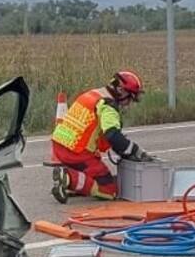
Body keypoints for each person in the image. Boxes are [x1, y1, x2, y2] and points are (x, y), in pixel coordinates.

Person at [50, 70, 152, 202]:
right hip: (76, 152)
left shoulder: (93, 94)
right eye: (130, 98)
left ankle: (76, 183)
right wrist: (135, 151)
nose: (129, 104)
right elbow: (113, 136)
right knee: (109, 190)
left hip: (59, 144)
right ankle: (69, 178)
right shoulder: (108, 106)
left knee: (95, 164)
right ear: (121, 91)